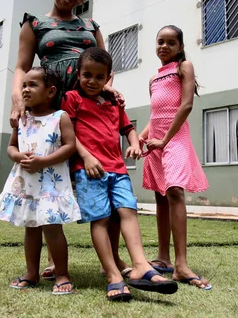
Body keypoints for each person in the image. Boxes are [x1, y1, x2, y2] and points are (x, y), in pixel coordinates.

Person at [9, 0, 128, 282]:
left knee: (105, 181)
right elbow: (21, 68)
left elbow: (105, 66)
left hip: (90, 114)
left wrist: (107, 88)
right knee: (50, 184)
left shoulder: (91, 25)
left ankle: (111, 262)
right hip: (51, 113)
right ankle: (53, 262)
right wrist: (18, 101)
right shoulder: (34, 24)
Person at [62, 47, 179, 301]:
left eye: (99, 77)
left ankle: (140, 265)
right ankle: (113, 275)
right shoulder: (72, 98)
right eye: (87, 75)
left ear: (108, 78)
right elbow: (68, 133)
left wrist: (135, 143)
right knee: (101, 219)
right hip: (90, 169)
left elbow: (128, 129)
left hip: (118, 168)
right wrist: (85, 156)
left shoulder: (114, 102)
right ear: (78, 75)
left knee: (128, 211)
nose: (92, 81)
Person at [0, 67, 81, 295]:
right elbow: (12, 146)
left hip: (51, 183)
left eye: (32, 85)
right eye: (24, 85)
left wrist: (44, 161)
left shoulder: (60, 117)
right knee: (30, 228)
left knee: (52, 228)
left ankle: (62, 274)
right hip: (27, 183)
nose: (25, 90)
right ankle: (32, 273)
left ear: (50, 91)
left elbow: (70, 146)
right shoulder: (22, 119)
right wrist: (17, 155)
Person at [139, 25, 212, 291]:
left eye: (171, 42)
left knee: (175, 193)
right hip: (156, 140)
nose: (164, 47)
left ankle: (181, 265)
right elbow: (154, 115)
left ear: (180, 47)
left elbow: (186, 105)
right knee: (160, 196)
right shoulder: (153, 79)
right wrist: (141, 137)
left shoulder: (184, 67)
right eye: (160, 41)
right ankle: (163, 258)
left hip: (174, 138)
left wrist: (165, 139)